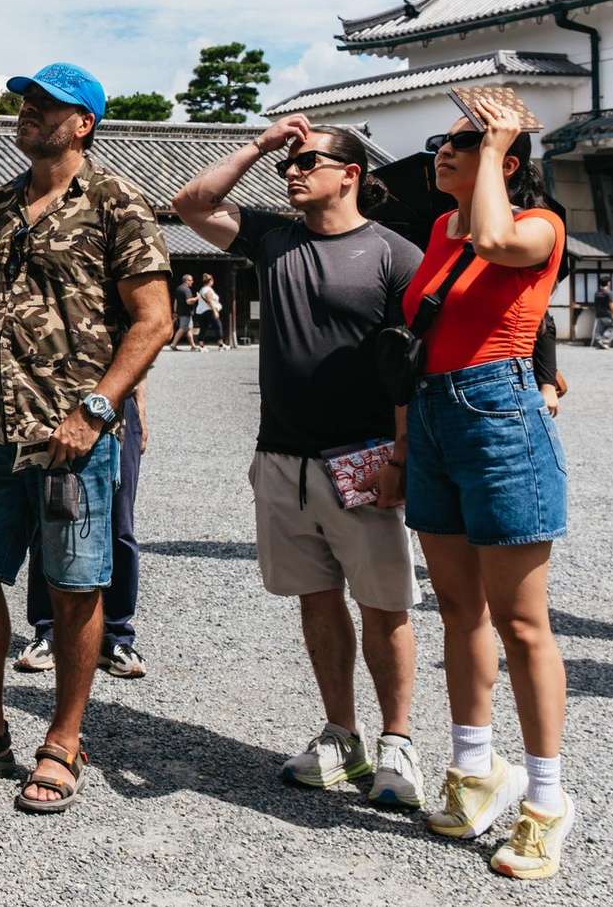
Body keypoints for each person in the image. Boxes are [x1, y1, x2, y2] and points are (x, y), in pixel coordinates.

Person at [0, 63, 171, 813]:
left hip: (71, 436)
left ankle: (64, 740)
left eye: (49, 105)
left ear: (84, 123)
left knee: (75, 587)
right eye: (27, 102)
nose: (30, 112)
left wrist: (96, 410)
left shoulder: (117, 201)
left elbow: (154, 320)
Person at [171, 113, 427, 808]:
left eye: (308, 161)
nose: (292, 171)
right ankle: (341, 734)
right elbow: (191, 204)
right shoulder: (273, 237)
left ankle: (399, 740)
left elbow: (410, 365)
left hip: (363, 453)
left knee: (384, 604)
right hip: (282, 451)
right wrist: (259, 144)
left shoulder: (394, 254)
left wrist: (402, 455)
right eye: (288, 163)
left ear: (351, 175)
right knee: (316, 596)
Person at [405, 104, 572, 880]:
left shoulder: (539, 225)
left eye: (465, 143)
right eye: (442, 142)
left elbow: (499, 243)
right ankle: (476, 770)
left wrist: (502, 138)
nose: (445, 151)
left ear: (505, 162)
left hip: (499, 414)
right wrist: (401, 443)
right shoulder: (440, 232)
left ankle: (547, 799)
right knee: (456, 608)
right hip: (434, 416)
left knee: (522, 622)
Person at [15, 384, 148, 679]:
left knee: (119, 525)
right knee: (53, 515)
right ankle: (49, 631)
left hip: (116, 409)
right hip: (53, 401)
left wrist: (140, 407)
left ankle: (115, 636)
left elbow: (138, 356)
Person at [195, 274, 232, 349]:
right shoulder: (208, 289)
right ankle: (220, 344)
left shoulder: (202, 289)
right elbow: (209, 300)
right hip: (209, 310)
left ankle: (201, 345)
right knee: (218, 326)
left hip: (201, 311)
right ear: (211, 281)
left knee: (203, 328)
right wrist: (215, 311)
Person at [168, 273, 197, 350]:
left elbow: (176, 301)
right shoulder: (186, 290)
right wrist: (197, 298)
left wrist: (175, 311)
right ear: (186, 281)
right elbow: (188, 301)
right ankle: (173, 344)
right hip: (186, 313)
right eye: (191, 280)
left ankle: (193, 346)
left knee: (189, 329)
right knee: (182, 328)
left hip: (180, 312)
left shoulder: (178, 289)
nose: (192, 282)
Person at [590, 281, 613, 349]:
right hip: (608, 314)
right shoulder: (608, 293)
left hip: (599, 314)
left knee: (600, 330)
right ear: (608, 283)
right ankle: (604, 341)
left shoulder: (597, 293)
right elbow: (611, 304)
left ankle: (599, 341)